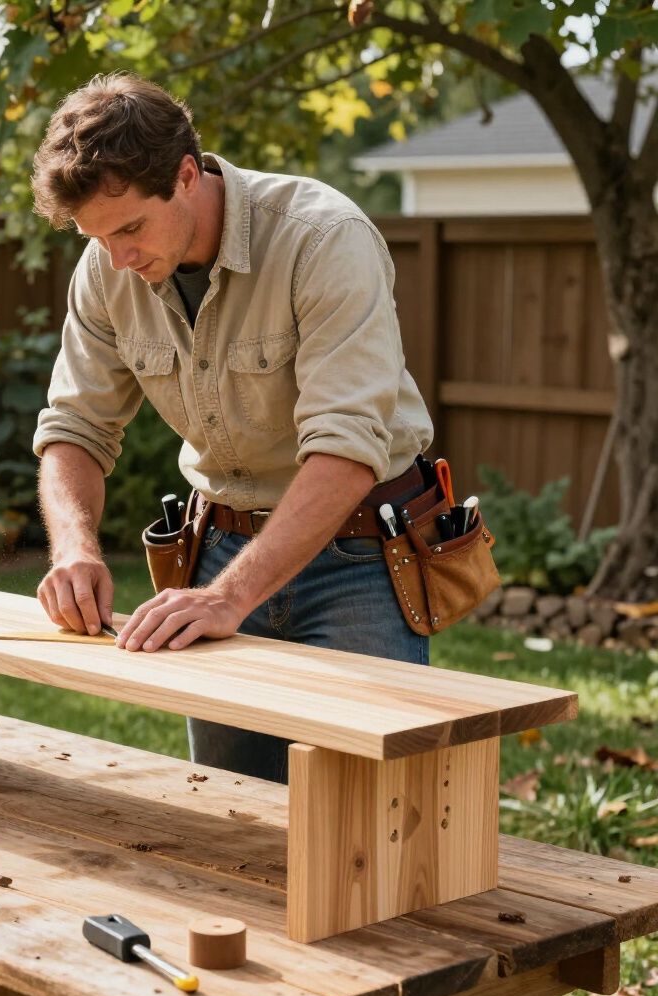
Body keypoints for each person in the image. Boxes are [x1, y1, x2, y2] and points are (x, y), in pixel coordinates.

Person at [30, 72, 435, 783]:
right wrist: (75, 549)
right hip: (215, 549)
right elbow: (74, 427)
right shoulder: (106, 267)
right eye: (97, 237)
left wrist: (229, 599)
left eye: (129, 228)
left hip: (360, 563)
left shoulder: (323, 239)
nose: (118, 258)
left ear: (186, 175)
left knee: (368, 824)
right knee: (231, 820)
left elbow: (346, 449)